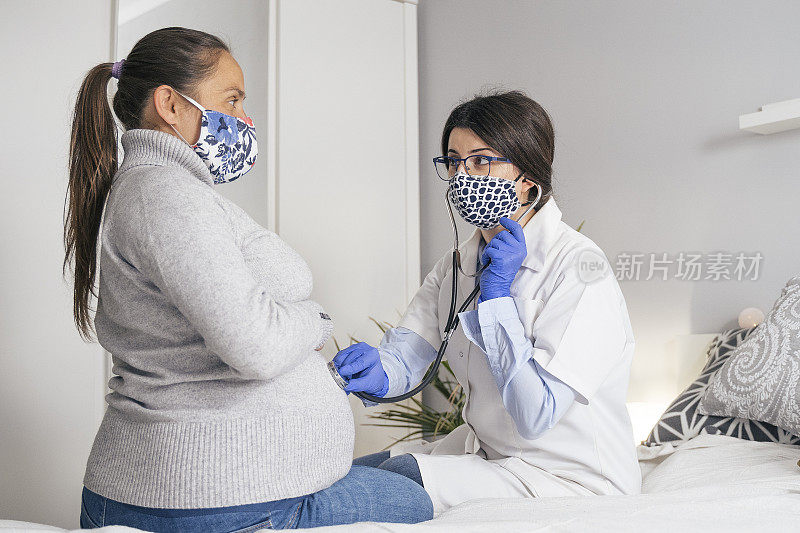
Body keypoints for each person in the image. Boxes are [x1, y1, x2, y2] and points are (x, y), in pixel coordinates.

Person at [64, 26, 432, 531]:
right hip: (207, 497)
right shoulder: (164, 198)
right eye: (232, 100)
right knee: (420, 501)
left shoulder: (172, 191)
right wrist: (314, 318)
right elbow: (255, 346)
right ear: (170, 104)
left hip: (209, 486)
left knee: (408, 472)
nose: (244, 119)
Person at [333, 90, 641, 514]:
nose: (463, 176)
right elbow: (408, 357)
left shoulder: (581, 269)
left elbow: (537, 415)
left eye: (481, 159)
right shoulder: (456, 266)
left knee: (382, 481)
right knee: (333, 472)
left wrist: (497, 300)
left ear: (528, 178)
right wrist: (377, 371)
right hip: (488, 456)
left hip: (568, 480)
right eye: (454, 161)